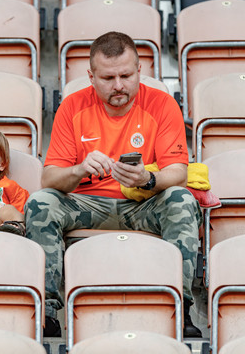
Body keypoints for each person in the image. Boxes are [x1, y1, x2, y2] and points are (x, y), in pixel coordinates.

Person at [25, 32, 202, 338]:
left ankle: (180, 307)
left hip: (142, 202)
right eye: (108, 77)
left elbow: (178, 172)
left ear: (139, 71)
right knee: (40, 203)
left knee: (181, 200)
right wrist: (79, 169)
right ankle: (49, 314)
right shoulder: (72, 107)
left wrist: (149, 179)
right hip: (87, 203)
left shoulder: (161, 104)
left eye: (126, 75)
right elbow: (49, 178)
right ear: (91, 77)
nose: (118, 85)